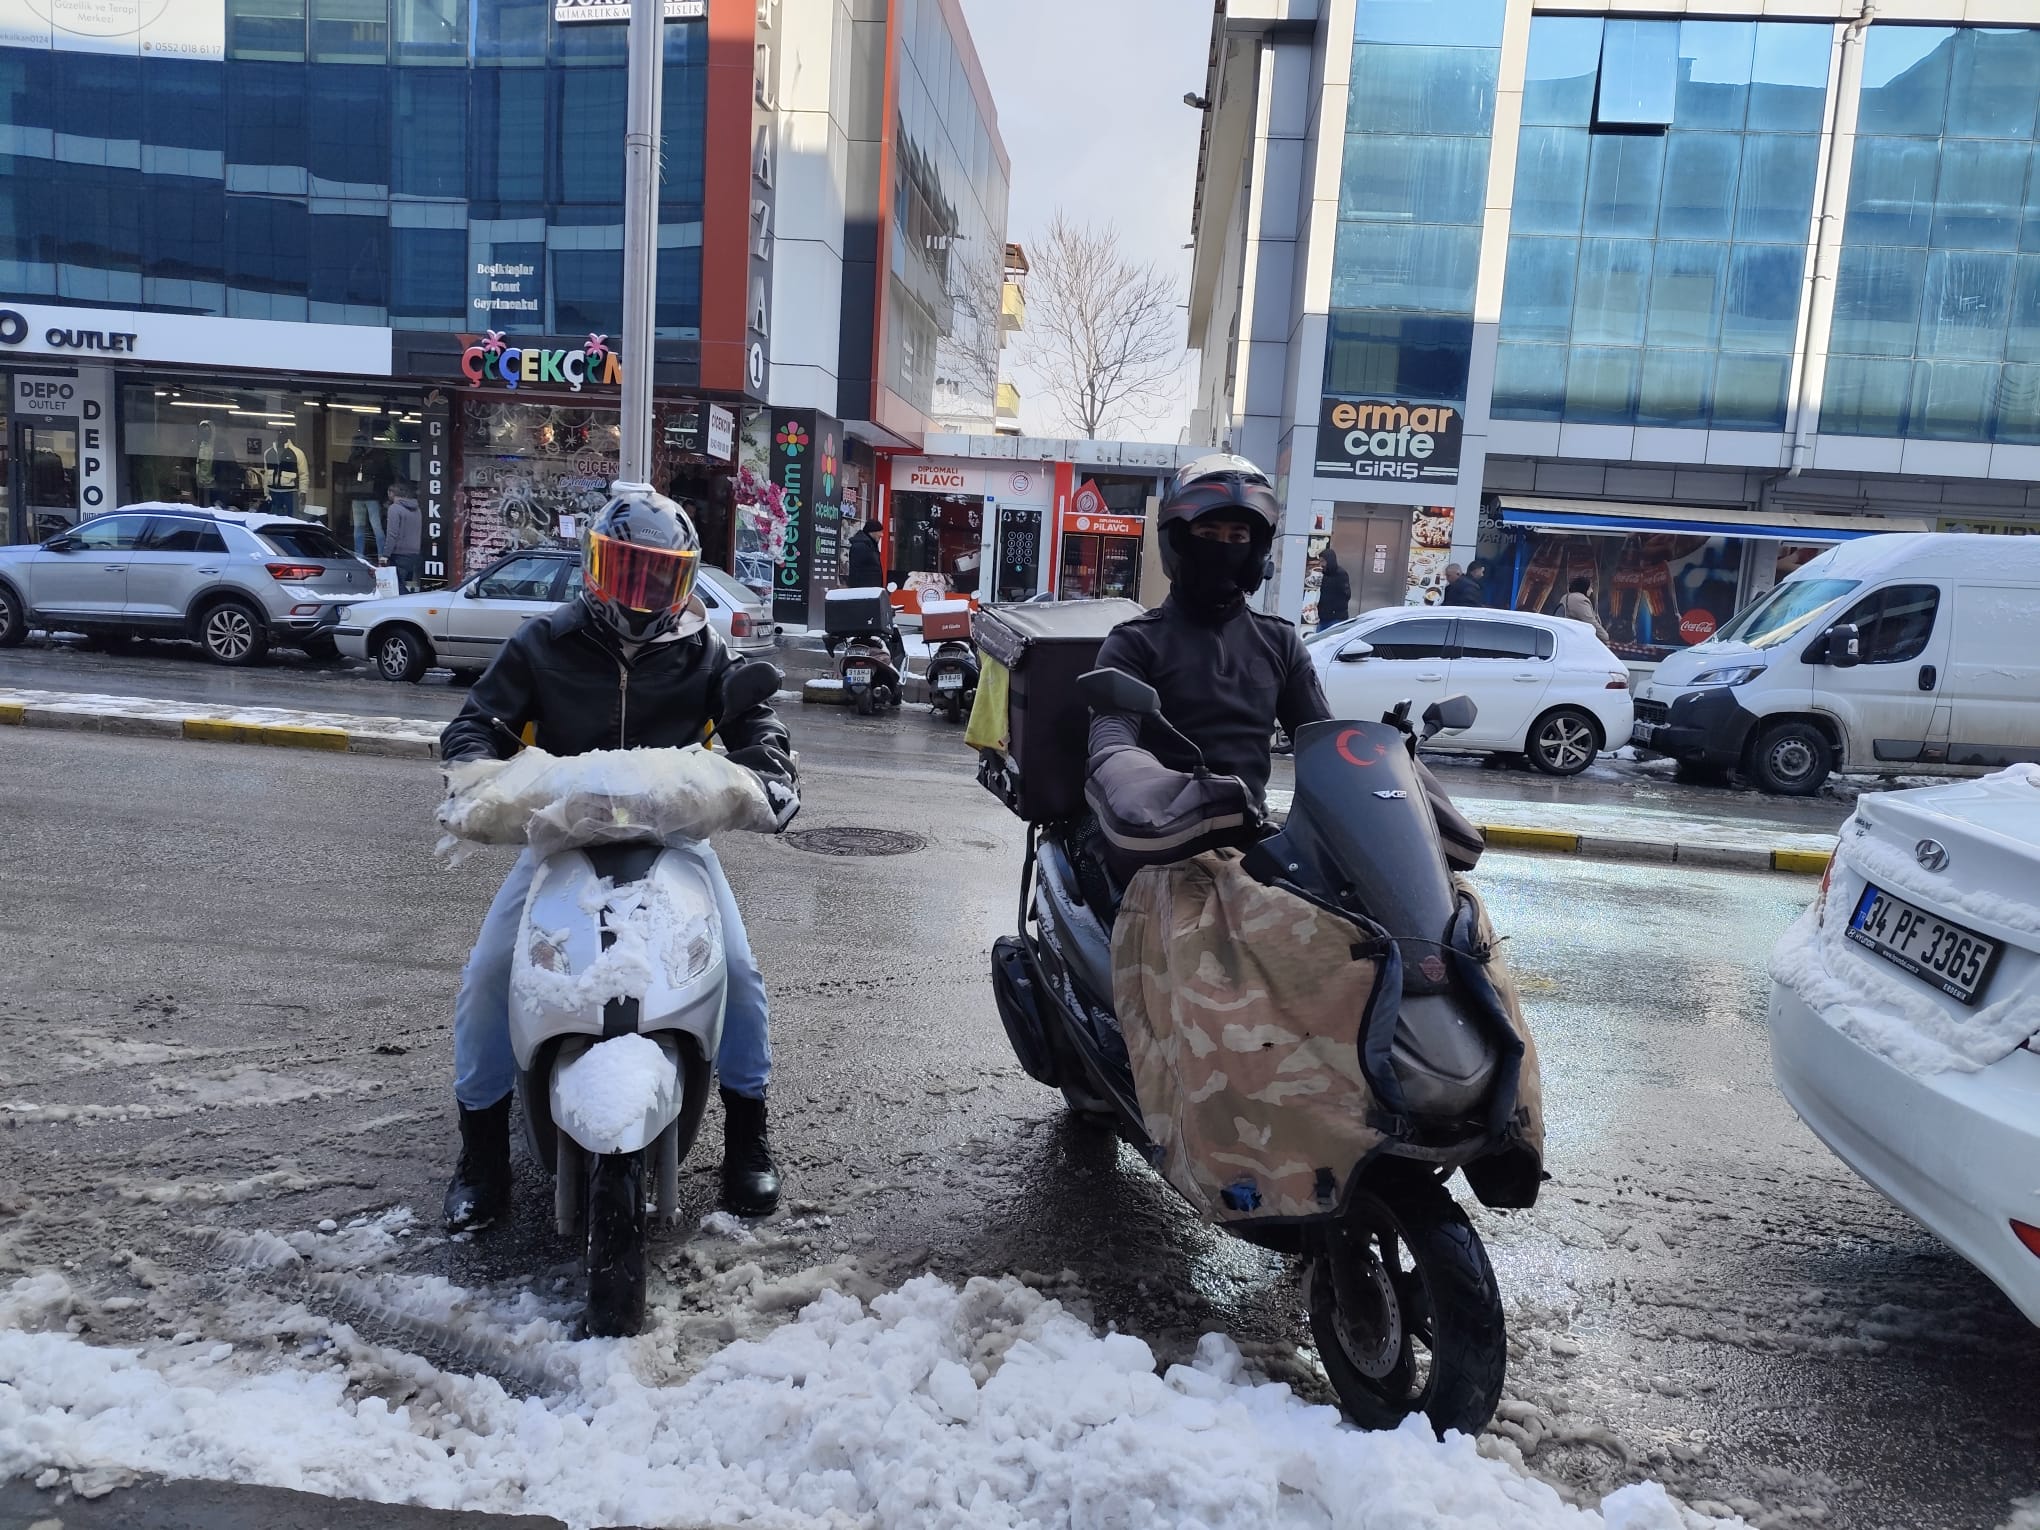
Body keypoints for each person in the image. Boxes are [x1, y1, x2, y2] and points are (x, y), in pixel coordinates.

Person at [437, 488, 797, 1231]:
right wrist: (475, 775)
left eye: (659, 575)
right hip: (561, 839)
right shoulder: (543, 643)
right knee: (490, 974)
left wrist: (769, 773)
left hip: (676, 842)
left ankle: (748, 1135)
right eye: (625, 570)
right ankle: (480, 1152)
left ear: (684, 581)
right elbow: (478, 723)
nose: (640, 592)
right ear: (594, 567)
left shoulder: (705, 651)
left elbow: (756, 724)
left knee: (737, 972)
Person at [1088, 455, 1331, 815]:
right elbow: (1112, 732)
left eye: (1238, 537)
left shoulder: (1279, 641)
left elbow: (1325, 741)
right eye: (1208, 534)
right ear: (1178, 542)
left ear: (1255, 549)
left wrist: (1374, 768)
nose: (1224, 547)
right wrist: (1123, 767)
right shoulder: (1134, 642)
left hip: (1250, 829)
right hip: (1157, 826)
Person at [383, 482, 422, 592]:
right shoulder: (417, 509)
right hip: (414, 553)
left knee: (397, 587)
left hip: (399, 554)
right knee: (408, 584)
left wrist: (385, 555)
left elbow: (392, 534)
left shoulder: (394, 508)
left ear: (391, 493)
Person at [1562, 573, 1611, 643]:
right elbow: (1590, 621)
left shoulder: (1566, 596)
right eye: (1590, 587)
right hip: (1576, 639)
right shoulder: (1580, 600)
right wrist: (1605, 636)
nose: (1592, 590)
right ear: (1584, 587)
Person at [1315, 545, 1351, 630]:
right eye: (1320, 561)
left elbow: (1346, 595)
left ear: (1329, 560)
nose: (1321, 564)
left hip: (1336, 618)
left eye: (1323, 561)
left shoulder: (1341, 574)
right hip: (1323, 618)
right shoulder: (1325, 574)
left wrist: (1333, 609)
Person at [846, 519, 883, 588]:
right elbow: (856, 573)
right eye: (880, 532)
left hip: (870, 590)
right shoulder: (860, 546)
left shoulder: (871, 545)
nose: (881, 535)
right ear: (872, 532)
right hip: (864, 590)